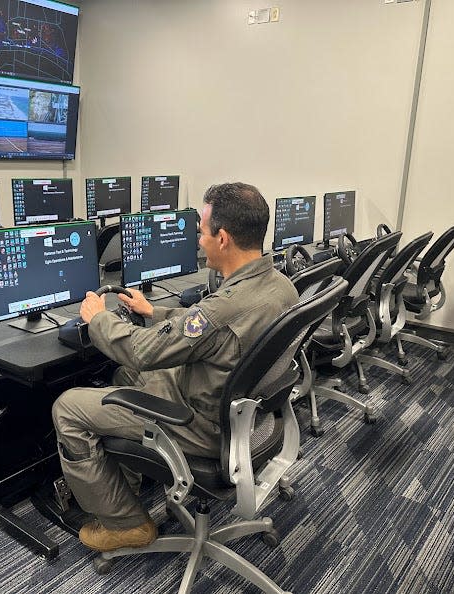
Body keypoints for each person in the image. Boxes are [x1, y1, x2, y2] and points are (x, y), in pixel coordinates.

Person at [51, 182, 299, 552]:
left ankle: (127, 524)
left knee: (67, 407)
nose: (198, 241)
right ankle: (125, 487)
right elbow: (204, 330)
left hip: (202, 426)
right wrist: (155, 312)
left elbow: (142, 350)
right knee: (125, 379)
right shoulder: (281, 286)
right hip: (245, 414)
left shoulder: (224, 307)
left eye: (201, 232)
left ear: (223, 238)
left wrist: (97, 318)